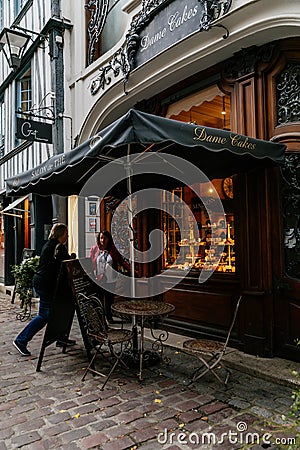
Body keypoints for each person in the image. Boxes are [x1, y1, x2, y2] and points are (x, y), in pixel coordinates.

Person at [13, 223, 75, 356]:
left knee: (60, 309)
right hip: (47, 285)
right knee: (44, 315)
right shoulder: (58, 247)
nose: (67, 236)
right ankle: (21, 340)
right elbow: (66, 264)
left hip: (43, 282)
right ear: (60, 234)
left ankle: (60, 337)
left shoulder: (51, 245)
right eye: (65, 233)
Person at [95, 230, 130, 323]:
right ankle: (100, 319)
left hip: (110, 279)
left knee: (109, 299)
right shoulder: (96, 249)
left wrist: (132, 271)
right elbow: (92, 262)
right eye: (101, 238)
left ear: (109, 239)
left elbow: (122, 261)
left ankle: (109, 317)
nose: (103, 240)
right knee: (100, 300)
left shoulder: (113, 250)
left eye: (105, 238)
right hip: (99, 279)